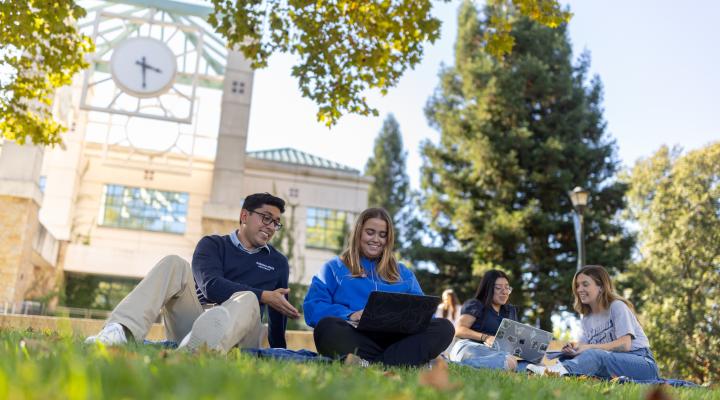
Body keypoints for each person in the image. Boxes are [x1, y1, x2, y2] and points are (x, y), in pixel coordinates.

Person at [85, 192, 300, 353]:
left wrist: (279, 350)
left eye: (276, 223)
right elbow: (211, 286)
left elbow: (278, 313)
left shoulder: (278, 262)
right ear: (244, 215)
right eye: (266, 218)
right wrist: (264, 295)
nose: (271, 226)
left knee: (248, 299)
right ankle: (120, 331)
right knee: (174, 263)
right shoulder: (212, 245)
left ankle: (204, 351)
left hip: (242, 335)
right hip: (194, 325)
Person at [303, 208, 454, 367]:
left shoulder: (403, 272)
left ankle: (369, 364)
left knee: (444, 327)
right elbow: (313, 308)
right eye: (370, 232)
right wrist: (350, 314)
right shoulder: (334, 267)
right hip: (358, 339)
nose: (376, 239)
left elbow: (425, 314)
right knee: (327, 328)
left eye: (382, 235)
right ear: (358, 233)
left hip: (398, 340)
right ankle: (399, 362)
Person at [527, 265, 660, 380]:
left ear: (601, 287)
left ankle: (550, 372)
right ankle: (551, 372)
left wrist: (589, 348)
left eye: (585, 284)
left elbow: (625, 345)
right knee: (568, 359)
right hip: (612, 363)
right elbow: (583, 347)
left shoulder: (617, 306)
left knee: (595, 355)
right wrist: (573, 349)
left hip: (642, 363)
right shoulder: (586, 318)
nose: (579, 289)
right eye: (577, 285)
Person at [448, 269, 520, 371]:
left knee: (533, 367)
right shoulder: (475, 305)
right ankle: (450, 365)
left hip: (498, 353)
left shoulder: (510, 311)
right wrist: (485, 337)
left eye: (507, 288)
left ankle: (476, 366)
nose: (504, 292)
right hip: (470, 347)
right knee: (507, 361)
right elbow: (459, 330)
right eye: (498, 288)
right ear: (488, 289)